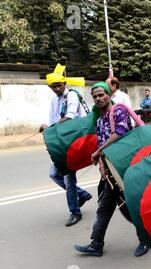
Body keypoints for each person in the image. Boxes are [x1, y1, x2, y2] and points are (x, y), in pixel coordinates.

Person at [74, 82, 150, 258]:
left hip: (125, 168)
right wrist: (101, 162)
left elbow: (121, 132)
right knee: (105, 207)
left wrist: (98, 151)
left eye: (102, 95)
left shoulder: (118, 110)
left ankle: (145, 239)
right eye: (95, 96)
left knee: (131, 207)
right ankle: (96, 244)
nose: (99, 98)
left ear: (109, 95)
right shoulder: (100, 120)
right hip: (109, 171)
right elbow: (102, 144)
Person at [39, 64, 92, 227]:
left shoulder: (72, 96)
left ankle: (75, 212)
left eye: (59, 85)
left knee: (68, 177)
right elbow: (54, 120)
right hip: (62, 142)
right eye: (53, 86)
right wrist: (47, 128)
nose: (56, 89)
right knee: (54, 174)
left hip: (73, 141)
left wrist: (51, 128)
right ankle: (82, 195)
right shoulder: (55, 100)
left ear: (64, 84)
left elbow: (69, 117)